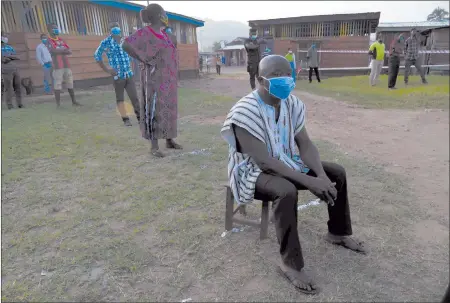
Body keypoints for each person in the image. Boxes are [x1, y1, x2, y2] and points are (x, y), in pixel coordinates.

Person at [221, 55, 366, 294]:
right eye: (276, 75)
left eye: (287, 74)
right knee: (285, 191)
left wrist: (319, 175)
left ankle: (337, 233)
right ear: (259, 79)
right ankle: (291, 264)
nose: (284, 80)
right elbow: (264, 162)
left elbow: (305, 144)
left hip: (287, 161)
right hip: (251, 172)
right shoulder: (244, 111)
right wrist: (309, 181)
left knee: (336, 173)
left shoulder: (292, 103)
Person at [122, 3, 182, 158]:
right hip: (154, 80)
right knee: (154, 110)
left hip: (168, 79)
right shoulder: (145, 32)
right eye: (164, 13)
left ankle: (169, 139)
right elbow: (125, 44)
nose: (166, 16)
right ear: (158, 15)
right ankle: (154, 146)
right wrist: (142, 58)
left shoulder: (166, 35)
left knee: (169, 109)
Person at [94, 22, 140, 127]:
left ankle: (140, 118)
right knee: (120, 99)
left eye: (117, 27)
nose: (115, 29)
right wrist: (107, 69)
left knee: (134, 97)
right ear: (109, 30)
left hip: (128, 74)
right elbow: (97, 56)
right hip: (117, 76)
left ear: (120, 29)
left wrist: (132, 66)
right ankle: (126, 120)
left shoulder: (125, 40)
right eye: (112, 27)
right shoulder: (106, 42)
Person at [46, 23, 80, 107]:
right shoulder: (49, 40)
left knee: (70, 83)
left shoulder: (61, 39)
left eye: (56, 28)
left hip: (66, 65)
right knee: (57, 85)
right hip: (57, 66)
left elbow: (69, 51)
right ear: (49, 30)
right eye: (54, 29)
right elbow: (53, 50)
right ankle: (58, 104)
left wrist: (59, 49)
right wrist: (63, 50)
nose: (56, 30)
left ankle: (74, 101)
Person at [1, 32, 23, 109]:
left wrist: (8, 57)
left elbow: (17, 57)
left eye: (6, 36)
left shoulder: (9, 47)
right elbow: (3, 60)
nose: (6, 38)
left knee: (18, 86)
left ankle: (19, 104)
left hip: (14, 68)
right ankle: (10, 105)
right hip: (5, 70)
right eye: (4, 36)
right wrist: (10, 57)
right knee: (8, 88)